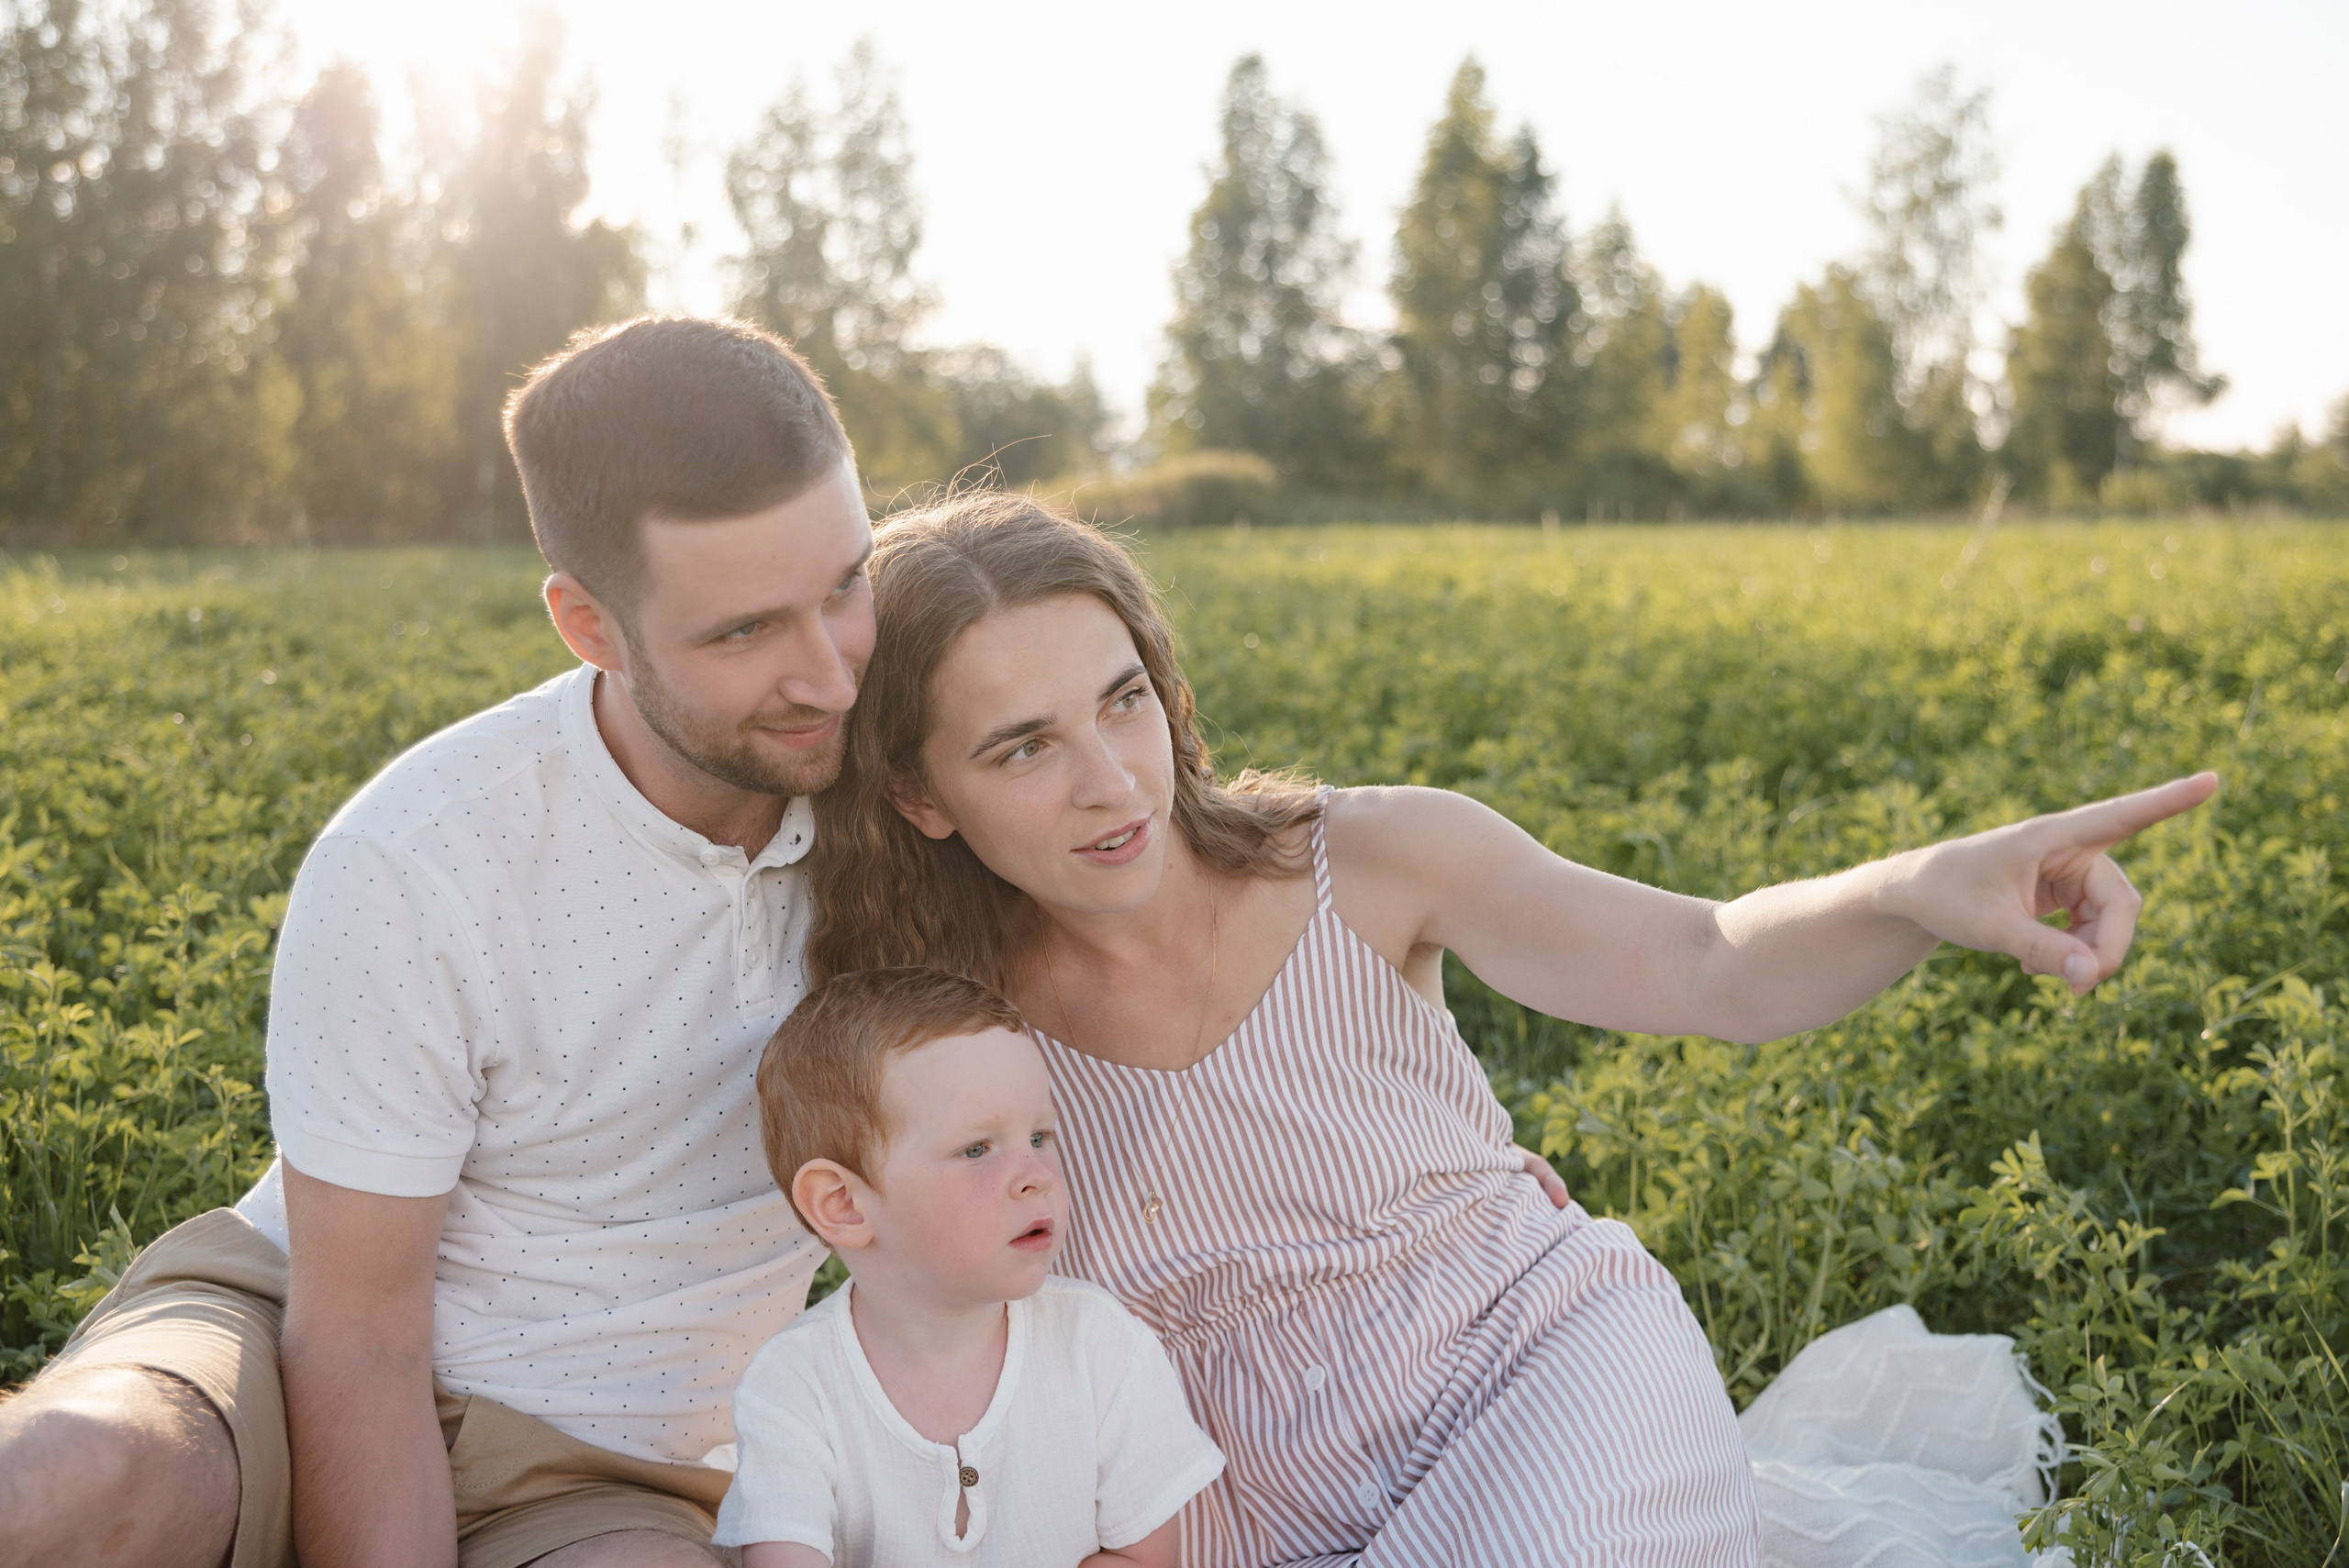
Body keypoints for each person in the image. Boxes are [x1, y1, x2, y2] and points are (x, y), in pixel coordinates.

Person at [804, 492, 2220, 1567]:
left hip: (1534, 1364)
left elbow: (1706, 961)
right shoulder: (944, 1042)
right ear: (924, 798)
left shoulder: (1369, 862)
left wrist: (1918, 888)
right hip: (1231, 1501)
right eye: (1022, 746)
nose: (1113, 783)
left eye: (1122, 703)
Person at [0, 317, 877, 1568]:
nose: (830, 676)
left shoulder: (915, 797)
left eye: (846, 585)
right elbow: (355, 1332)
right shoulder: (421, 854)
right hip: (293, 1326)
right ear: (588, 624)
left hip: (614, 1461)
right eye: (744, 633)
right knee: (67, 1482)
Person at [713, 966, 1224, 1567]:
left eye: (1040, 1135)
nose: (1035, 1172)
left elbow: (1143, 1558)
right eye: (977, 1148)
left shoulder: (1101, 1347)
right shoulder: (794, 1385)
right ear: (844, 1205)